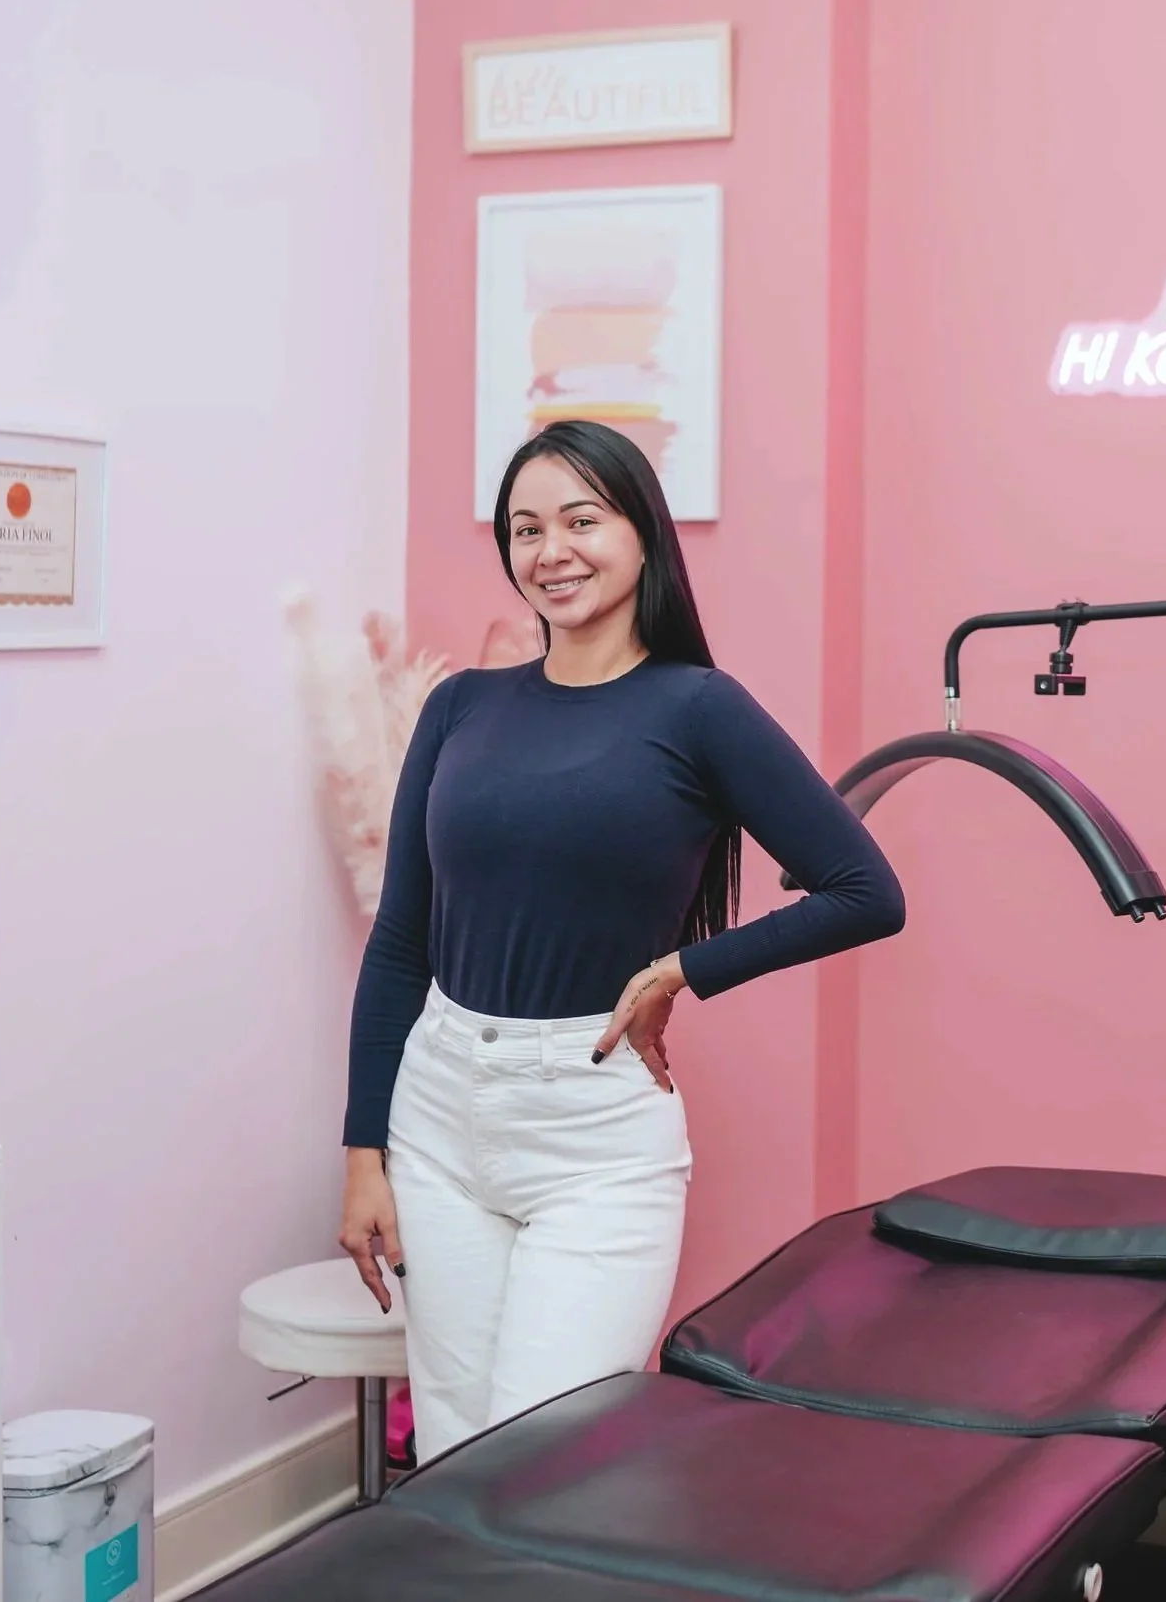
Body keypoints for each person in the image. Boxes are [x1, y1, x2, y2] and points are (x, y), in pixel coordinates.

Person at [336, 419, 906, 1463]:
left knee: (550, 1455)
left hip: (593, 1132)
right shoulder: (460, 705)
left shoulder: (697, 708)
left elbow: (865, 889)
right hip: (439, 1108)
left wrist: (686, 967)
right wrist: (362, 1152)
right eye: (524, 527)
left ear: (642, 531)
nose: (550, 549)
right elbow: (399, 942)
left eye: (580, 519)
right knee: (457, 1455)